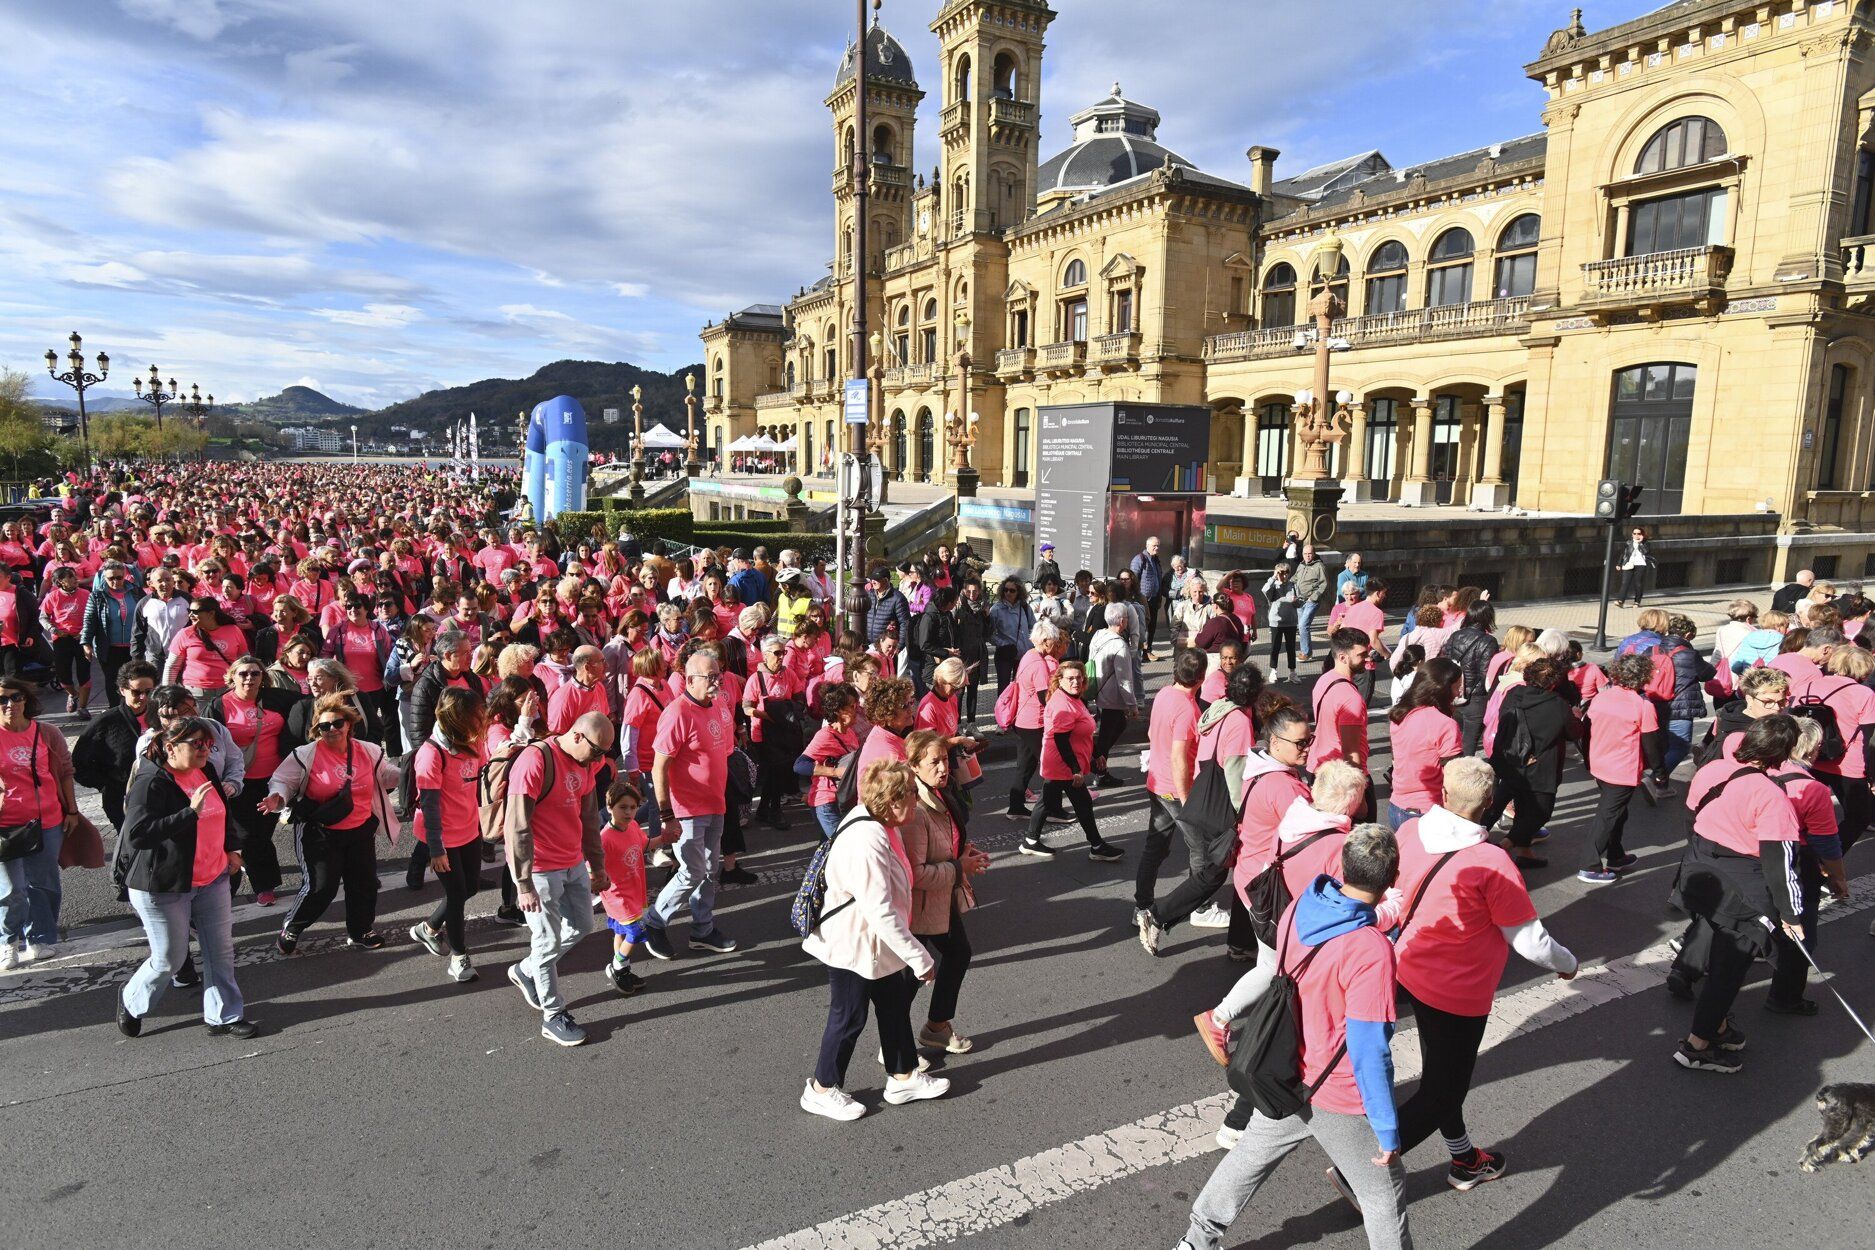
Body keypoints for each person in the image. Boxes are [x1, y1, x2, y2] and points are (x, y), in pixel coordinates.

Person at [1176, 823, 1409, 1250]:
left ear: (1342, 866)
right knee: (1382, 1195)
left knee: (1248, 1158)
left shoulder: (1307, 903)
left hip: (1285, 1068)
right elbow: (1367, 1048)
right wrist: (1388, 1127)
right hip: (1336, 1092)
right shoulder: (1370, 950)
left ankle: (1196, 1239)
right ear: (1393, 879)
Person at [1391, 758, 1576, 1190]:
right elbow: (1530, 941)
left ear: (1443, 794)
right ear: (1492, 802)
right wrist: (1568, 964)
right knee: (1441, 1092)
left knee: (1444, 1077)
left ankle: (1465, 1159)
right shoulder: (1491, 862)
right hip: (1458, 992)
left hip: (1409, 965)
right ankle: (1357, 1170)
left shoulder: (1408, 831)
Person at [798, 759, 950, 1121]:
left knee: (893, 1004)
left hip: (871, 945)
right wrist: (920, 959)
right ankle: (821, 1088)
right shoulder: (868, 840)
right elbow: (879, 911)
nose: (917, 800)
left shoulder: (876, 821)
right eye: (912, 795)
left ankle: (902, 1077)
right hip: (852, 945)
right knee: (848, 1015)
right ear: (893, 800)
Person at [1669, 715, 1805, 1073]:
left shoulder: (1713, 770)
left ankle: (1719, 1026)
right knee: (1728, 972)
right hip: (1744, 889)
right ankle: (1697, 1045)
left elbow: (1690, 817)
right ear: (1783, 752)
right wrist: (1791, 915)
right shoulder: (1771, 796)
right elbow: (1781, 864)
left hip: (1701, 874)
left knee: (1717, 951)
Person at [115, 715, 258, 1040]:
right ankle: (132, 998)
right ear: (170, 747)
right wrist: (188, 813)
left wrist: (232, 847)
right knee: (169, 959)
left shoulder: (204, 769)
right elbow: (137, 834)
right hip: (163, 885)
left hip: (212, 877)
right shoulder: (151, 782)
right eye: (197, 744)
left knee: (219, 951)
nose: (206, 750)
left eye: (209, 744)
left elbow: (223, 811)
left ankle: (224, 1015)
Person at [502, 710, 613, 1046]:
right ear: (577, 735)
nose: (598, 760)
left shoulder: (586, 765)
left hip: (573, 863)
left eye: (603, 755)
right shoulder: (536, 761)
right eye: (596, 751)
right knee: (547, 941)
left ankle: (527, 969)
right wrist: (523, 883)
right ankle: (553, 1015)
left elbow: (590, 819)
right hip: (539, 870)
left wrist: (598, 865)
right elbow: (516, 826)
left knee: (582, 926)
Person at [263, 693, 401, 954]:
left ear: (349, 724)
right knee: (320, 887)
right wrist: (277, 796)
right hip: (320, 831)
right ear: (317, 729)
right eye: (324, 726)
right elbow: (283, 780)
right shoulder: (305, 754)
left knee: (364, 883)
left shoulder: (368, 750)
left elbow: (386, 776)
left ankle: (361, 931)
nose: (332, 730)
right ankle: (292, 927)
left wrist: (406, 774)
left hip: (360, 829)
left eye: (337, 723)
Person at [644, 651, 739, 959]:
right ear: (690, 679)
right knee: (693, 871)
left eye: (718, 677)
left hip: (715, 803)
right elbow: (659, 767)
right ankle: (654, 921)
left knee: (711, 870)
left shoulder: (717, 705)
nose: (717, 683)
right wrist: (666, 815)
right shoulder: (676, 713)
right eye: (710, 678)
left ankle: (702, 930)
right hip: (686, 809)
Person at [902, 730, 990, 1055]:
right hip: (921, 905)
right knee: (914, 972)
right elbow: (914, 873)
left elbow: (946, 837)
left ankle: (936, 1027)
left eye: (944, 760)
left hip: (940, 898)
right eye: (934, 762)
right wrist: (958, 868)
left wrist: (964, 851)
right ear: (913, 766)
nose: (943, 768)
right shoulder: (915, 810)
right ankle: (895, 1044)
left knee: (956, 954)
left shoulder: (938, 792)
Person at [405, 687, 492, 985]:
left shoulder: (472, 742)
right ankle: (459, 957)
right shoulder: (431, 755)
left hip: (468, 828)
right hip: (441, 836)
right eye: (475, 715)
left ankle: (428, 929)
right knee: (456, 895)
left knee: (469, 889)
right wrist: (436, 849)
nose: (481, 720)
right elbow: (429, 806)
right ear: (458, 718)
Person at [203, 656, 297, 905]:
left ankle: (261, 882)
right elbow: (207, 743)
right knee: (244, 836)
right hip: (236, 783)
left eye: (255, 674)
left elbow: (307, 706)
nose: (249, 678)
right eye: (243, 674)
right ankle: (247, 886)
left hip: (273, 780)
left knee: (262, 834)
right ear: (232, 677)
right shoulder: (218, 706)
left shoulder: (277, 699)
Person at [0, 678, 80, 968]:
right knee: (12, 889)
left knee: (44, 884)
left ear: (26, 699)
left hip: (47, 819)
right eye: (2, 699)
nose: (10, 704)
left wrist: (71, 810)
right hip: (5, 825)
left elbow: (65, 773)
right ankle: (8, 940)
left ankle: (41, 937)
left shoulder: (47, 733)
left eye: (16, 696)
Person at [1134, 649, 1207, 942]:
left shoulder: (1164, 693)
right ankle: (1199, 906)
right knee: (1200, 849)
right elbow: (1180, 758)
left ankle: (1141, 905)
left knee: (1156, 847)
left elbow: (1152, 736)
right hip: (1175, 789)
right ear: (1201, 678)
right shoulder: (1188, 710)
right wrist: (1187, 799)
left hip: (1156, 782)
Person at [1024, 661, 1123, 861]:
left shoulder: (1073, 698)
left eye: (1079, 677)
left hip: (1065, 763)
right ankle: (1096, 846)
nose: (1076, 681)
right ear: (1060, 680)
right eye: (1070, 678)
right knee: (1079, 802)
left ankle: (1031, 841)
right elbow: (1061, 740)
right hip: (1062, 763)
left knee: (1049, 800)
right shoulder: (1062, 703)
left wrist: (1095, 753)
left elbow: (1082, 733)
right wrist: (1075, 769)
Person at [1579, 653, 1660, 884]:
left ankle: (1615, 855)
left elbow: (1587, 731)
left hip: (1600, 764)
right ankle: (1589, 864)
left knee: (1617, 812)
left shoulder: (1601, 698)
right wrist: (1660, 771)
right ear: (1642, 677)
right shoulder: (1643, 706)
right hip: (1623, 769)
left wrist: (1587, 760)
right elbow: (1651, 743)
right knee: (1607, 816)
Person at [1487, 657, 1574, 870]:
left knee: (1507, 804)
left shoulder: (1514, 694)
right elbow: (1573, 732)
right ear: (1554, 682)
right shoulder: (1558, 705)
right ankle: (1505, 845)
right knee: (1539, 812)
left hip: (1510, 761)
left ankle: (1524, 852)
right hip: (1540, 768)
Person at [599, 773, 673, 998]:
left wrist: (665, 838)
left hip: (634, 890)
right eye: (623, 807)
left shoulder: (632, 828)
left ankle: (623, 969)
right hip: (617, 894)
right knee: (636, 930)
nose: (629, 812)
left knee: (621, 931)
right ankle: (617, 966)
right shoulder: (605, 837)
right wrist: (596, 878)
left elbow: (646, 844)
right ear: (610, 807)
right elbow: (593, 864)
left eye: (633, 807)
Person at [73, 661, 159, 839]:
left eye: (148, 692)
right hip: (121, 799)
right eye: (136, 692)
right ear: (122, 690)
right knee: (132, 845)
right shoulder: (106, 722)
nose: (143, 697)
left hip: (160, 795)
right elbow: (79, 764)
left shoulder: (162, 716)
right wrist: (106, 785)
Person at [1386, 657, 1463, 831]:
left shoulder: (1400, 715)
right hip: (1429, 812)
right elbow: (1454, 776)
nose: (1459, 693)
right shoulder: (1445, 725)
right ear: (1442, 689)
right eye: (1457, 686)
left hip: (1396, 806)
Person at [1005, 618, 1066, 819]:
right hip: (1035, 723)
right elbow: (1044, 698)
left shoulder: (1028, 656)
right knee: (1053, 766)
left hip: (1022, 721)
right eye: (1054, 641)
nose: (1055, 645)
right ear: (1046, 640)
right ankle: (1053, 809)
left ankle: (1015, 807)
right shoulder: (1039, 664)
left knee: (1026, 765)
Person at [744, 634, 806, 829]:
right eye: (777, 653)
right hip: (764, 733)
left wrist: (792, 712)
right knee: (774, 772)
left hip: (785, 732)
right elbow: (746, 707)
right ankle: (773, 811)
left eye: (784, 652)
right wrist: (768, 716)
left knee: (779, 772)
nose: (782, 657)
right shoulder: (756, 679)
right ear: (765, 655)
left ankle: (765, 810)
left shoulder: (788, 674)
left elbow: (799, 697)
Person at [1311, 628, 1374, 786]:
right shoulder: (1351, 698)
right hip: (1341, 777)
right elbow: (1350, 753)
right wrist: (1360, 793)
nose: (1367, 659)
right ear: (1342, 657)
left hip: (1319, 767)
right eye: (1362, 655)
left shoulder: (1324, 680)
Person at [1086, 603, 1140, 786]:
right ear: (1122, 621)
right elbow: (1124, 680)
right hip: (1112, 697)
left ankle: (1097, 764)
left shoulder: (1099, 635)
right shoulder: (1120, 645)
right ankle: (1098, 769)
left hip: (1098, 690)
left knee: (1115, 728)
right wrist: (1132, 705)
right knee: (1107, 735)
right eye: (1126, 617)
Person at [801, 682, 862, 840]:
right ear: (838, 710)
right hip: (826, 803)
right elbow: (800, 765)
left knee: (830, 851)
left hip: (843, 800)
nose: (857, 710)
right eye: (852, 706)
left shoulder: (850, 733)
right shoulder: (825, 735)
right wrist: (834, 772)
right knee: (842, 848)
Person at [81, 560, 142, 708]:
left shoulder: (136, 592)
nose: (115, 581)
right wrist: (86, 643)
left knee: (133, 679)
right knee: (112, 680)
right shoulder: (97, 595)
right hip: (109, 647)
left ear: (125, 576)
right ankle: (115, 709)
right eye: (111, 578)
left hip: (133, 645)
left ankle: (133, 708)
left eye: (119, 578)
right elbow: (89, 619)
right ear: (104, 578)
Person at [1443, 600, 1497, 756]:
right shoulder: (1488, 641)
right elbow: (1486, 673)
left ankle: (1451, 771)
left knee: (1454, 738)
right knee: (1470, 741)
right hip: (1476, 697)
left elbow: (1447, 660)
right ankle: (1465, 773)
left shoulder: (1455, 635)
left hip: (1454, 692)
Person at [165, 596, 249, 695]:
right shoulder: (185, 634)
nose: (190, 614)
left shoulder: (233, 630)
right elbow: (172, 667)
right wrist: (167, 695)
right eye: (189, 610)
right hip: (196, 692)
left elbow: (245, 660)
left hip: (229, 690)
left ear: (211, 613)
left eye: (195, 612)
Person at [40, 565, 91, 717]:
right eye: (70, 577)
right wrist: (54, 629)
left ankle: (82, 707)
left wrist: (85, 632)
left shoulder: (86, 594)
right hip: (61, 640)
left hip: (81, 639)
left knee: (85, 674)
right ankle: (73, 694)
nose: (75, 579)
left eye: (75, 575)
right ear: (60, 582)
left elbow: (93, 616)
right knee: (63, 677)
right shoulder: (53, 596)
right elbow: (43, 617)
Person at [988, 576, 1034, 696]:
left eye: (1012, 590)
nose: (1008, 593)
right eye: (1006, 590)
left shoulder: (1024, 607)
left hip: (1023, 655)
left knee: (1021, 687)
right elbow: (989, 634)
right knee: (1004, 689)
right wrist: (1003, 643)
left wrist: (1030, 644)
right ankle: (1003, 714)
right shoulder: (996, 609)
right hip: (1005, 655)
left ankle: (1017, 714)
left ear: (1018, 592)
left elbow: (1033, 627)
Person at [1262, 562, 1301, 682]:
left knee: (1291, 648)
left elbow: (1300, 602)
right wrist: (1274, 577)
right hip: (1276, 622)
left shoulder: (1293, 585)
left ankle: (1292, 672)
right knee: (1275, 647)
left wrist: (1295, 602)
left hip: (1291, 621)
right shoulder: (1274, 586)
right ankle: (1273, 670)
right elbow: (1264, 590)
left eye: (1286, 573)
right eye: (1281, 573)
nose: (1284, 576)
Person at [1293, 543, 1329, 663]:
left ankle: (1306, 653)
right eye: (1305, 554)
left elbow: (1324, 584)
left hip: (1311, 601)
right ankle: (1307, 651)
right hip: (1300, 600)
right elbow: (1296, 578)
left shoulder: (1319, 566)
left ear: (1314, 554)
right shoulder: (1301, 565)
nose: (1307, 556)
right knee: (1301, 627)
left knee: (1303, 626)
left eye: (1310, 554)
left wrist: (1314, 597)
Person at [1129, 536, 1166, 650]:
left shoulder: (1156, 561)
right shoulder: (1139, 559)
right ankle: (1141, 650)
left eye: (1158, 545)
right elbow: (1133, 578)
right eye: (1154, 545)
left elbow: (1158, 580)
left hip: (1154, 599)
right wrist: (1135, 596)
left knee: (1152, 626)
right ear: (1147, 546)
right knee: (1142, 625)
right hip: (1143, 599)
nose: (1157, 548)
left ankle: (1148, 649)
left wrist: (1159, 597)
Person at [1614, 526, 1654, 607]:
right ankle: (1620, 601)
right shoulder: (1628, 542)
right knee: (1625, 583)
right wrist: (1619, 564)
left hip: (1641, 565)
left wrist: (1640, 543)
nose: (1636, 535)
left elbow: (1646, 552)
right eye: (1634, 533)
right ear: (1632, 535)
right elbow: (1624, 554)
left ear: (1642, 535)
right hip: (1629, 564)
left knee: (1638, 584)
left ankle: (1637, 602)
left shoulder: (1646, 543)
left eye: (1638, 533)